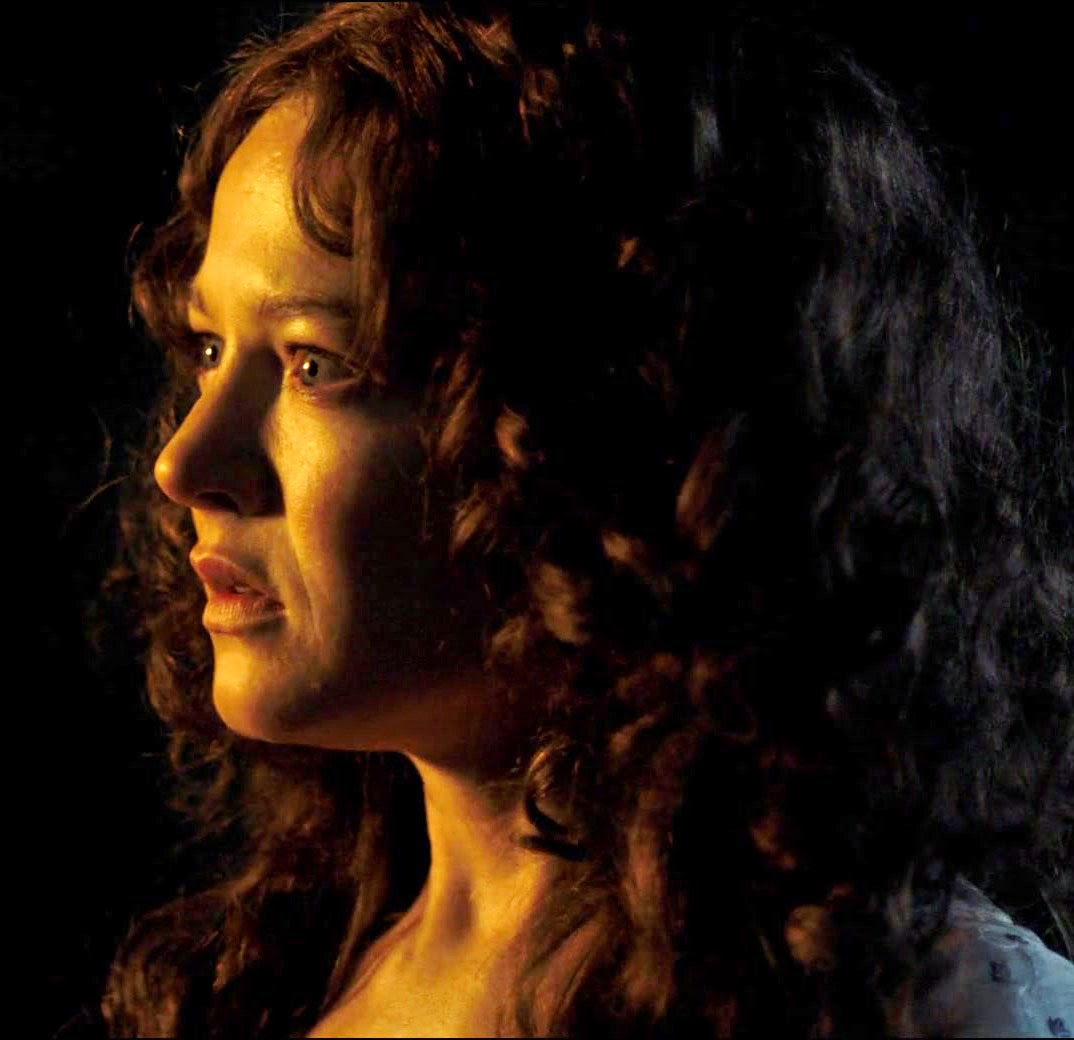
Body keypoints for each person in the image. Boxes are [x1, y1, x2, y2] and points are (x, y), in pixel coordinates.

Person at [102, 3, 1073, 1037]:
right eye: (209, 348)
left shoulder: (923, 1008)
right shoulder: (269, 976)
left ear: (612, 421)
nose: (185, 464)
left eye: (317, 364)